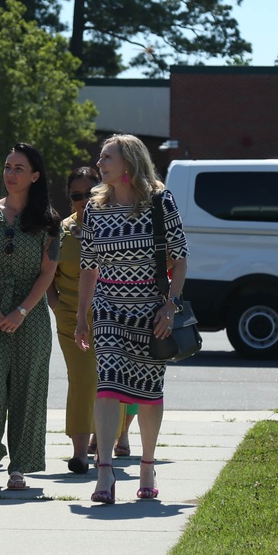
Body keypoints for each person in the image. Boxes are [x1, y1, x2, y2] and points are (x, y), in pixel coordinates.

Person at [74, 134, 188, 504]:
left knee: (149, 392)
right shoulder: (94, 207)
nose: (100, 164)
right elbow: (89, 266)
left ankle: (147, 465)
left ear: (129, 163)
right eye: (101, 157)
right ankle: (104, 472)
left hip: (151, 309)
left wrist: (170, 306)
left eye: (107, 157)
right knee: (107, 385)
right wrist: (81, 315)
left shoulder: (159, 201)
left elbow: (181, 257)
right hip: (108, 307)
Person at [0, 143, 60, 491]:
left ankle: (19, 465)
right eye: (7, 166)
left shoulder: (48, 221)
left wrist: (22, 310)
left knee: (27, 388)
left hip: (30, 316)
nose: (10, 173)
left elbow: (47, 273)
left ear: (35, 176)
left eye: (19, 168)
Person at [47, 167, 101, 474]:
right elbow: (48, 277)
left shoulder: (116, 225)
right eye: (76, 196)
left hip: (109, 315)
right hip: (70, 316)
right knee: (81, 379)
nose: (83, 201)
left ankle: (105, 440)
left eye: (89, 194)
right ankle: (80, 453)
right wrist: (57, 307)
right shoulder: (62, 231)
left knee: (106, 381)